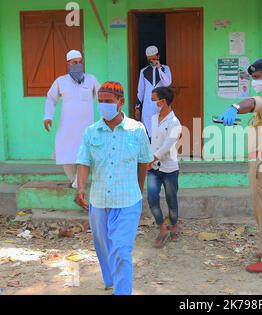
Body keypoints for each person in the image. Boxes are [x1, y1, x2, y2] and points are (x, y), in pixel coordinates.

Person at [75, 82, 153, 295]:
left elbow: (144, 162)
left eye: (108, 101)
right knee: (104, 247)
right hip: (99, 201)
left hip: (128, 201)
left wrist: (138, 189)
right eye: (100, 102)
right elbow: (83, 162)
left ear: (121, 102)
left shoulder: (137, 130)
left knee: (121, 250)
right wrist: (81, 187)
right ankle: (111, 279)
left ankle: (122, 291)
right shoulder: (91, 132)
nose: (103, 106)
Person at [218, 58, 262, 273]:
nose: (255, 82)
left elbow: (252, 102)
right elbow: (259, 116)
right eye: (253, 78)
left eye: (258, 78)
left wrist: (234, 107)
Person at [44, 50, 100, 188]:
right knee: (65, 152)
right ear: (68, 63)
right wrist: (48, 116)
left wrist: (109, 115)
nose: (78, 65)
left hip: (86, 126)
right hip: (67, 127)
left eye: (80, 62)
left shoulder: (91, 79)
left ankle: (80, 182)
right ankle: (74, 180)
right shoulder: (61, 81)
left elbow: (102, 97)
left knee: (86, 153)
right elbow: (51, 98)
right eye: (74, 62)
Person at [146, 87, 182, 248]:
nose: (152, 103)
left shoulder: (175, 122)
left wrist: (151, 158)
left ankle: (174, 224)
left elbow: (168, 145)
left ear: (163, 101)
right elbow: (152, 140)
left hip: (170, 168)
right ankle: (162, 228)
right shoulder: (154, 118)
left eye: (154, 100)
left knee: (171, 199)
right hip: (153, 168)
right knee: (152, 198)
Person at [135, 46, 172, 141]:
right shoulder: (143, 71)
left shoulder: (165, 69)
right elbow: (140, 91)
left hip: (162, 105)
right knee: (150, 133)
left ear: (158, 56)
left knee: (163, 132)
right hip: (148, 107)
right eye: (149, 59)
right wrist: (137, 107)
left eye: (154, 58)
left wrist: (159, 68)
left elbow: (167, 83)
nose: (152, 61)